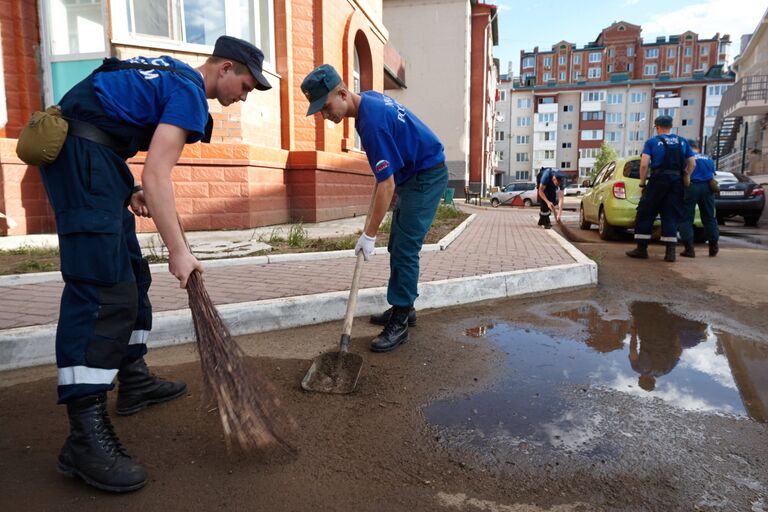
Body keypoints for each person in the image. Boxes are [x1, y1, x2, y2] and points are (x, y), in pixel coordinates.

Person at [38, 36, 272, 493]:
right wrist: (180, 251)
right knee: (103, 290)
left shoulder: (169, 74)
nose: (244, 96)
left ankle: (134, 379)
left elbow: (101, 119)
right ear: (224, 68)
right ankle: (83, 435)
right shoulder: (187, 91)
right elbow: (158, 174)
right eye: (246, 84)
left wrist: (123, 191)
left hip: (96, 160)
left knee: (132, 274)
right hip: (83, 159)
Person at [300, 64, 447, 353]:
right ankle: (405, 307)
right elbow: (388, 173)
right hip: (415, 172)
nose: (325, 116)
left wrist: (368, 234)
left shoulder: (371, 123)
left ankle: (401, 319)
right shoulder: (368, 101)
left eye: (326, 107)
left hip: (426, 175)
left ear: (342, 93)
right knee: (398, 244)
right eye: (319, 110)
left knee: (405, 247)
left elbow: (387, 185)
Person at [626, 115, 695, 262]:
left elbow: (644, 164)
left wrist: (642, 184)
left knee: (646, 212)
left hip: (658, 180)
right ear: (671, 126)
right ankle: (670, 253)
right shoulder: (683, 142)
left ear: (657, 127)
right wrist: (686, 176)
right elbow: (692, 163)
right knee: (671, 214)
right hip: (676, 182)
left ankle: (641, 249)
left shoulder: (652, 142)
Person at [679, 139, 719, 258]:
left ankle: (689, 249)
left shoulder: (687, 157)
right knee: (709, 218)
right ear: (697, 147)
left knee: (686, 219)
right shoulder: (708, 158)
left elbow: (683, 173)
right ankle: (713, 246)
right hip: (708, 188)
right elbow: (711, 175)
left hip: (691, 187)